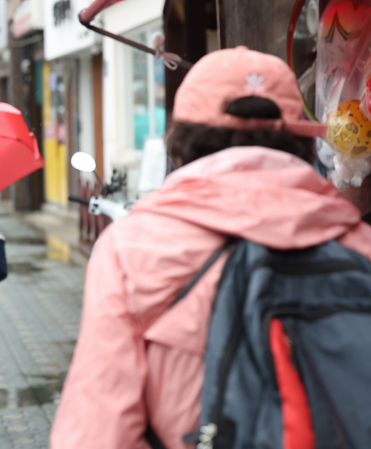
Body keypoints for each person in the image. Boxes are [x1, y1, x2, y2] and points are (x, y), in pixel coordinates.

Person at [50, 47, 371, 448]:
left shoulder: (130, 248)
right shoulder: (358, 241)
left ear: (182, 141)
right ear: (298, 141)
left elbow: (97, 431)